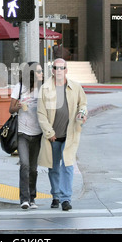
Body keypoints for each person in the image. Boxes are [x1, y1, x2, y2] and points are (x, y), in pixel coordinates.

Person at [37, 58, 88, 211]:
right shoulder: (45, 88)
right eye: (56, 68)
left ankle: (66, 199)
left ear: (66, 70)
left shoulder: (75, 87)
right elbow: (41, 113)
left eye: (62, 68)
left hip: (70, 135)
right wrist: (49, 132)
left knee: (68, 166)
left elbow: (83, 104)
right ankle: (56, 196)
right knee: (53, 168)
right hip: (53, 136)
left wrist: (82, 113)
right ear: (52, 70)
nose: (59, 70)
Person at [9, 62, 44, 210]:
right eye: (39, 71)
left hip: (38, 133)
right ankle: (24, 199)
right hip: (23, 132)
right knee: (24, 164)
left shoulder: (42, 88)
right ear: (31, 73)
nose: (42, 73)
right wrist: (19, 105)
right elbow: (11, 109)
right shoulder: (19, 87)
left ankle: (32, 198)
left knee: (34, 168)